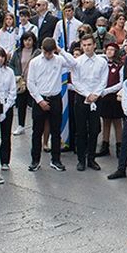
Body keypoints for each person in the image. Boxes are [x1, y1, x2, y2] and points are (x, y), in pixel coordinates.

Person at [25, 37, 76, 172]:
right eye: (46, 52)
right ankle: (35, 160)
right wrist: (39, 100)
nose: (48, 55)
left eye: (50, 52)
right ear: (42, 49)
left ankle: (56, 159)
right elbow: (30, 82)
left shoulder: (59, 59)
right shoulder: (35, 62)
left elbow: (73, 63)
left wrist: (61, 50)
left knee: (56, 130)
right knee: (37, 131)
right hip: (40, 98)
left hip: (55, 98)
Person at [70, 34, 108, 173]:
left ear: (94, 45)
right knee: (81, 130)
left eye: (89, 45)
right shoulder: (77, 62)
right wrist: (87, 94)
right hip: (81, 98)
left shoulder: (101, 62)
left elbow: (103, 80)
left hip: (97, 98)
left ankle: (91, 158)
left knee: (94, 129)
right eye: (84, 45)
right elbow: (75, 81)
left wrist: (96, 95)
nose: (87, 47)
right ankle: (81, 159)